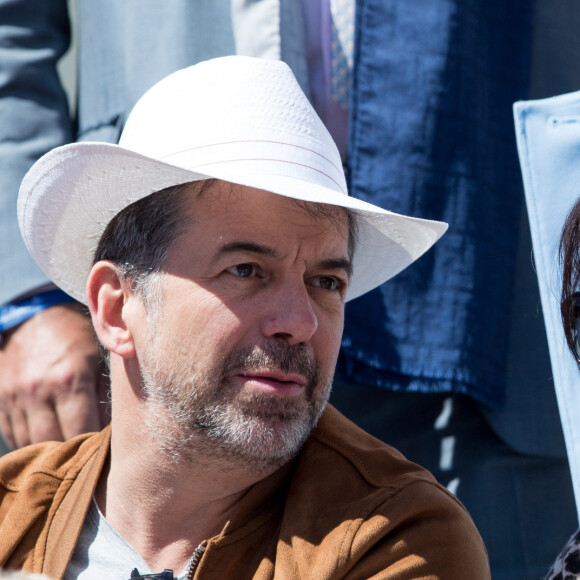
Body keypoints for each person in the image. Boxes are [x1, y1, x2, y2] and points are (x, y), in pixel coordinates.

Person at [0, 56, 489, 579]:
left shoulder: (396, 537)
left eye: (327, 282)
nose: (300, 322)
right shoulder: (13, 512)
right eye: (246, 270)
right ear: (117, 308)